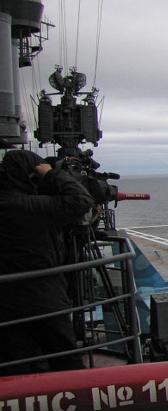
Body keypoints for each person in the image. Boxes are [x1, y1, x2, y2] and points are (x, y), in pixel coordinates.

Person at [0, 150, 94, 375]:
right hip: (42, 293)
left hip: (5, 298)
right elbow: (81, 201)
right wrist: (52, 175)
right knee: (66, 360)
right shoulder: (30, 206)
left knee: (16, 363)